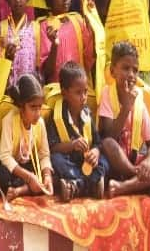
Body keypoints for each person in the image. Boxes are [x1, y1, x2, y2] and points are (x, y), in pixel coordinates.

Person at [47, 62, 107, 201]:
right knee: (55, 159)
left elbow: (98, 143)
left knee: (104, 160)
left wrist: (95, 153)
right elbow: (52, 147)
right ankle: (90, 185)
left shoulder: (87, 113)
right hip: (69, 163)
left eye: (85, 91)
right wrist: (72, 145)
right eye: (78, 93)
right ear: (65, 93)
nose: (84, 97)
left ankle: (76, 186)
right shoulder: (56, 117)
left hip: (85, 162)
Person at [100, 42, 150, 197]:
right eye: (125, 68)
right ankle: (136, 178)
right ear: (112, 71)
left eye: (135, 70)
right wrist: (126, 107)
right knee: (107, 143)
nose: (131, 74)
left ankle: (123, 187)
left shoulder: (139, 98)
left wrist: (148, 162)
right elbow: (110, 135)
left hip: (137, 160)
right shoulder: (107, 94)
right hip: (116, 164)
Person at [0, 74, 53, 200]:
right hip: (13, 168)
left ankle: (19, 190)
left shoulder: (40, 123)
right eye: (32, 107)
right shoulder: (9, 120)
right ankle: (28, 188)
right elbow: (5, 156)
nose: (37, 113)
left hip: (27, 165)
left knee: (54, 173)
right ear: (21, 106)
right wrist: (29, 177)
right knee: (1, 173)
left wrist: (47, 175)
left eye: (39, 107)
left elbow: (44, 154)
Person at [38, 0, 94, 84]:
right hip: (56, 92)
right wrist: (54, 45)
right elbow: (47, 71)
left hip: (79, 91)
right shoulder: (44, 26)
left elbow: (89, 59)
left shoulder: (78, 20)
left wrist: (92, 27)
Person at [0, 0, 43, 87]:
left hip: (29, 95)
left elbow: (40, 68)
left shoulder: (36, 29)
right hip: (7, 95)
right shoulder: (1, 29)